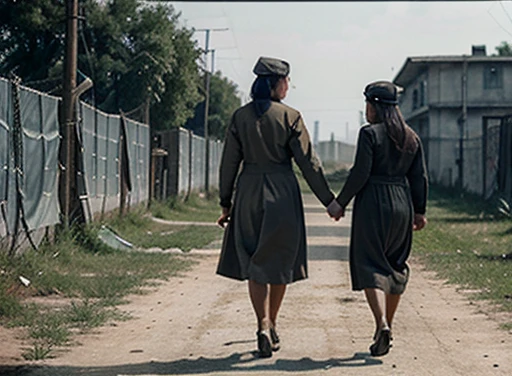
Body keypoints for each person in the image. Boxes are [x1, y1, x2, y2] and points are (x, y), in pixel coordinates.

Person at [216, 56, 337, 358]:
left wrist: (225, 202)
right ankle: (273, 323)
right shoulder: (291, 116)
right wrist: (329, 200)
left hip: (248, 191)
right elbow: (309, 163)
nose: (288, 86)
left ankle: (261, 323)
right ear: (276, 83)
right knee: (280, 262)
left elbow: (229, 162)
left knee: (256, 261)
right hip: (282, 192)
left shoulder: (239, 117)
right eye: (286, 81)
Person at [327, 80, 428, 357]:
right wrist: (420, 211)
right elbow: (419, 177)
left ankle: (381, 322)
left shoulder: (369, 134)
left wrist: (340, 203)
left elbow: (360, 172)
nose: (366, 110)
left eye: (367, 104)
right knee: (395, 264)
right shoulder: (411, 137)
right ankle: (388, 327)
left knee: (369, 262)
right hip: (402, 203)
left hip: (373, 202)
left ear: (375, 106)